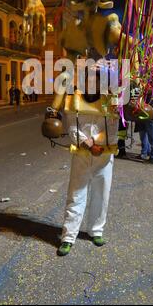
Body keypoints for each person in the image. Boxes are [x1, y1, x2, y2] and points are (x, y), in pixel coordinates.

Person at [51, 69, 118, 256]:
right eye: (88, 81)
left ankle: (96, 231)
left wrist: (98, 143)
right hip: (81, 154)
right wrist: (86, 143)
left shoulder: (110, 100)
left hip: (104, 156)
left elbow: (113, 126)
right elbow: (72, 126)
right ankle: (68, 237)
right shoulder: (74, 99)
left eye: (96, 81)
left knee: (101, 194)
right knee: (76, 195)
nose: (92, 84)